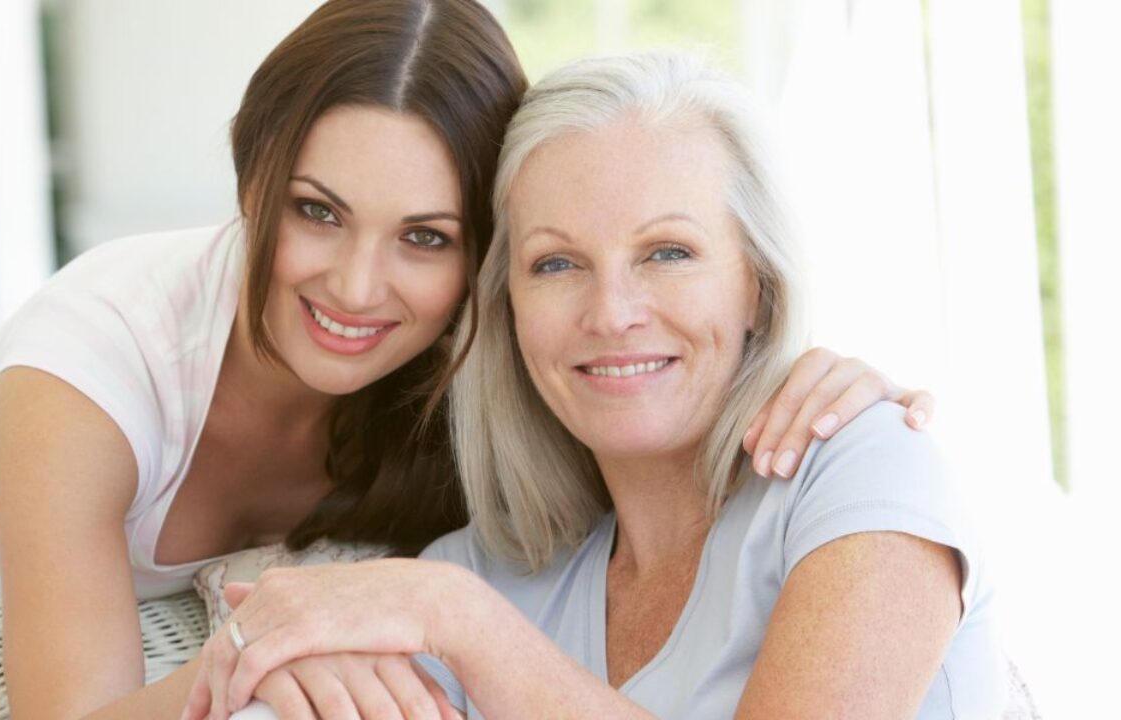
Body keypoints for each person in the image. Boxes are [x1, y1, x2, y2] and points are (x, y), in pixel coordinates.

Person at [0, 2, 930, 717]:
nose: (359, 288)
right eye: (318, 212)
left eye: (426, 237)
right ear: (249, 178)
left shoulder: (491, 416)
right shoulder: (89, 370)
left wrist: (816, 375)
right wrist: (283, 639)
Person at [185, 51, 1004, 720]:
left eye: (668, 252)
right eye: (557, 264)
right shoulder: (483, 573)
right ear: (506, 309)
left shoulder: (864, 464)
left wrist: (464, 625)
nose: (611, 313)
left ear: (756, 281)